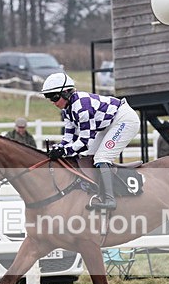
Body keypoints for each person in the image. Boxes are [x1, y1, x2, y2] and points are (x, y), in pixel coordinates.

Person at [42, 72, 141, 211]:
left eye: (54, 97)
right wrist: (58, 148)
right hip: (107, 125)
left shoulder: (82, 106)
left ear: (66, 93)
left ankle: (110, 199)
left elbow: (83, 142)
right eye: (49, 98)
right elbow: (68, 138)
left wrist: (63, 150)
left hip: (124, 120)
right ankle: (94, 188)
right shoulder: (67, 110)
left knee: (101, 157)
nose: (53, 102)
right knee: (87, 155)